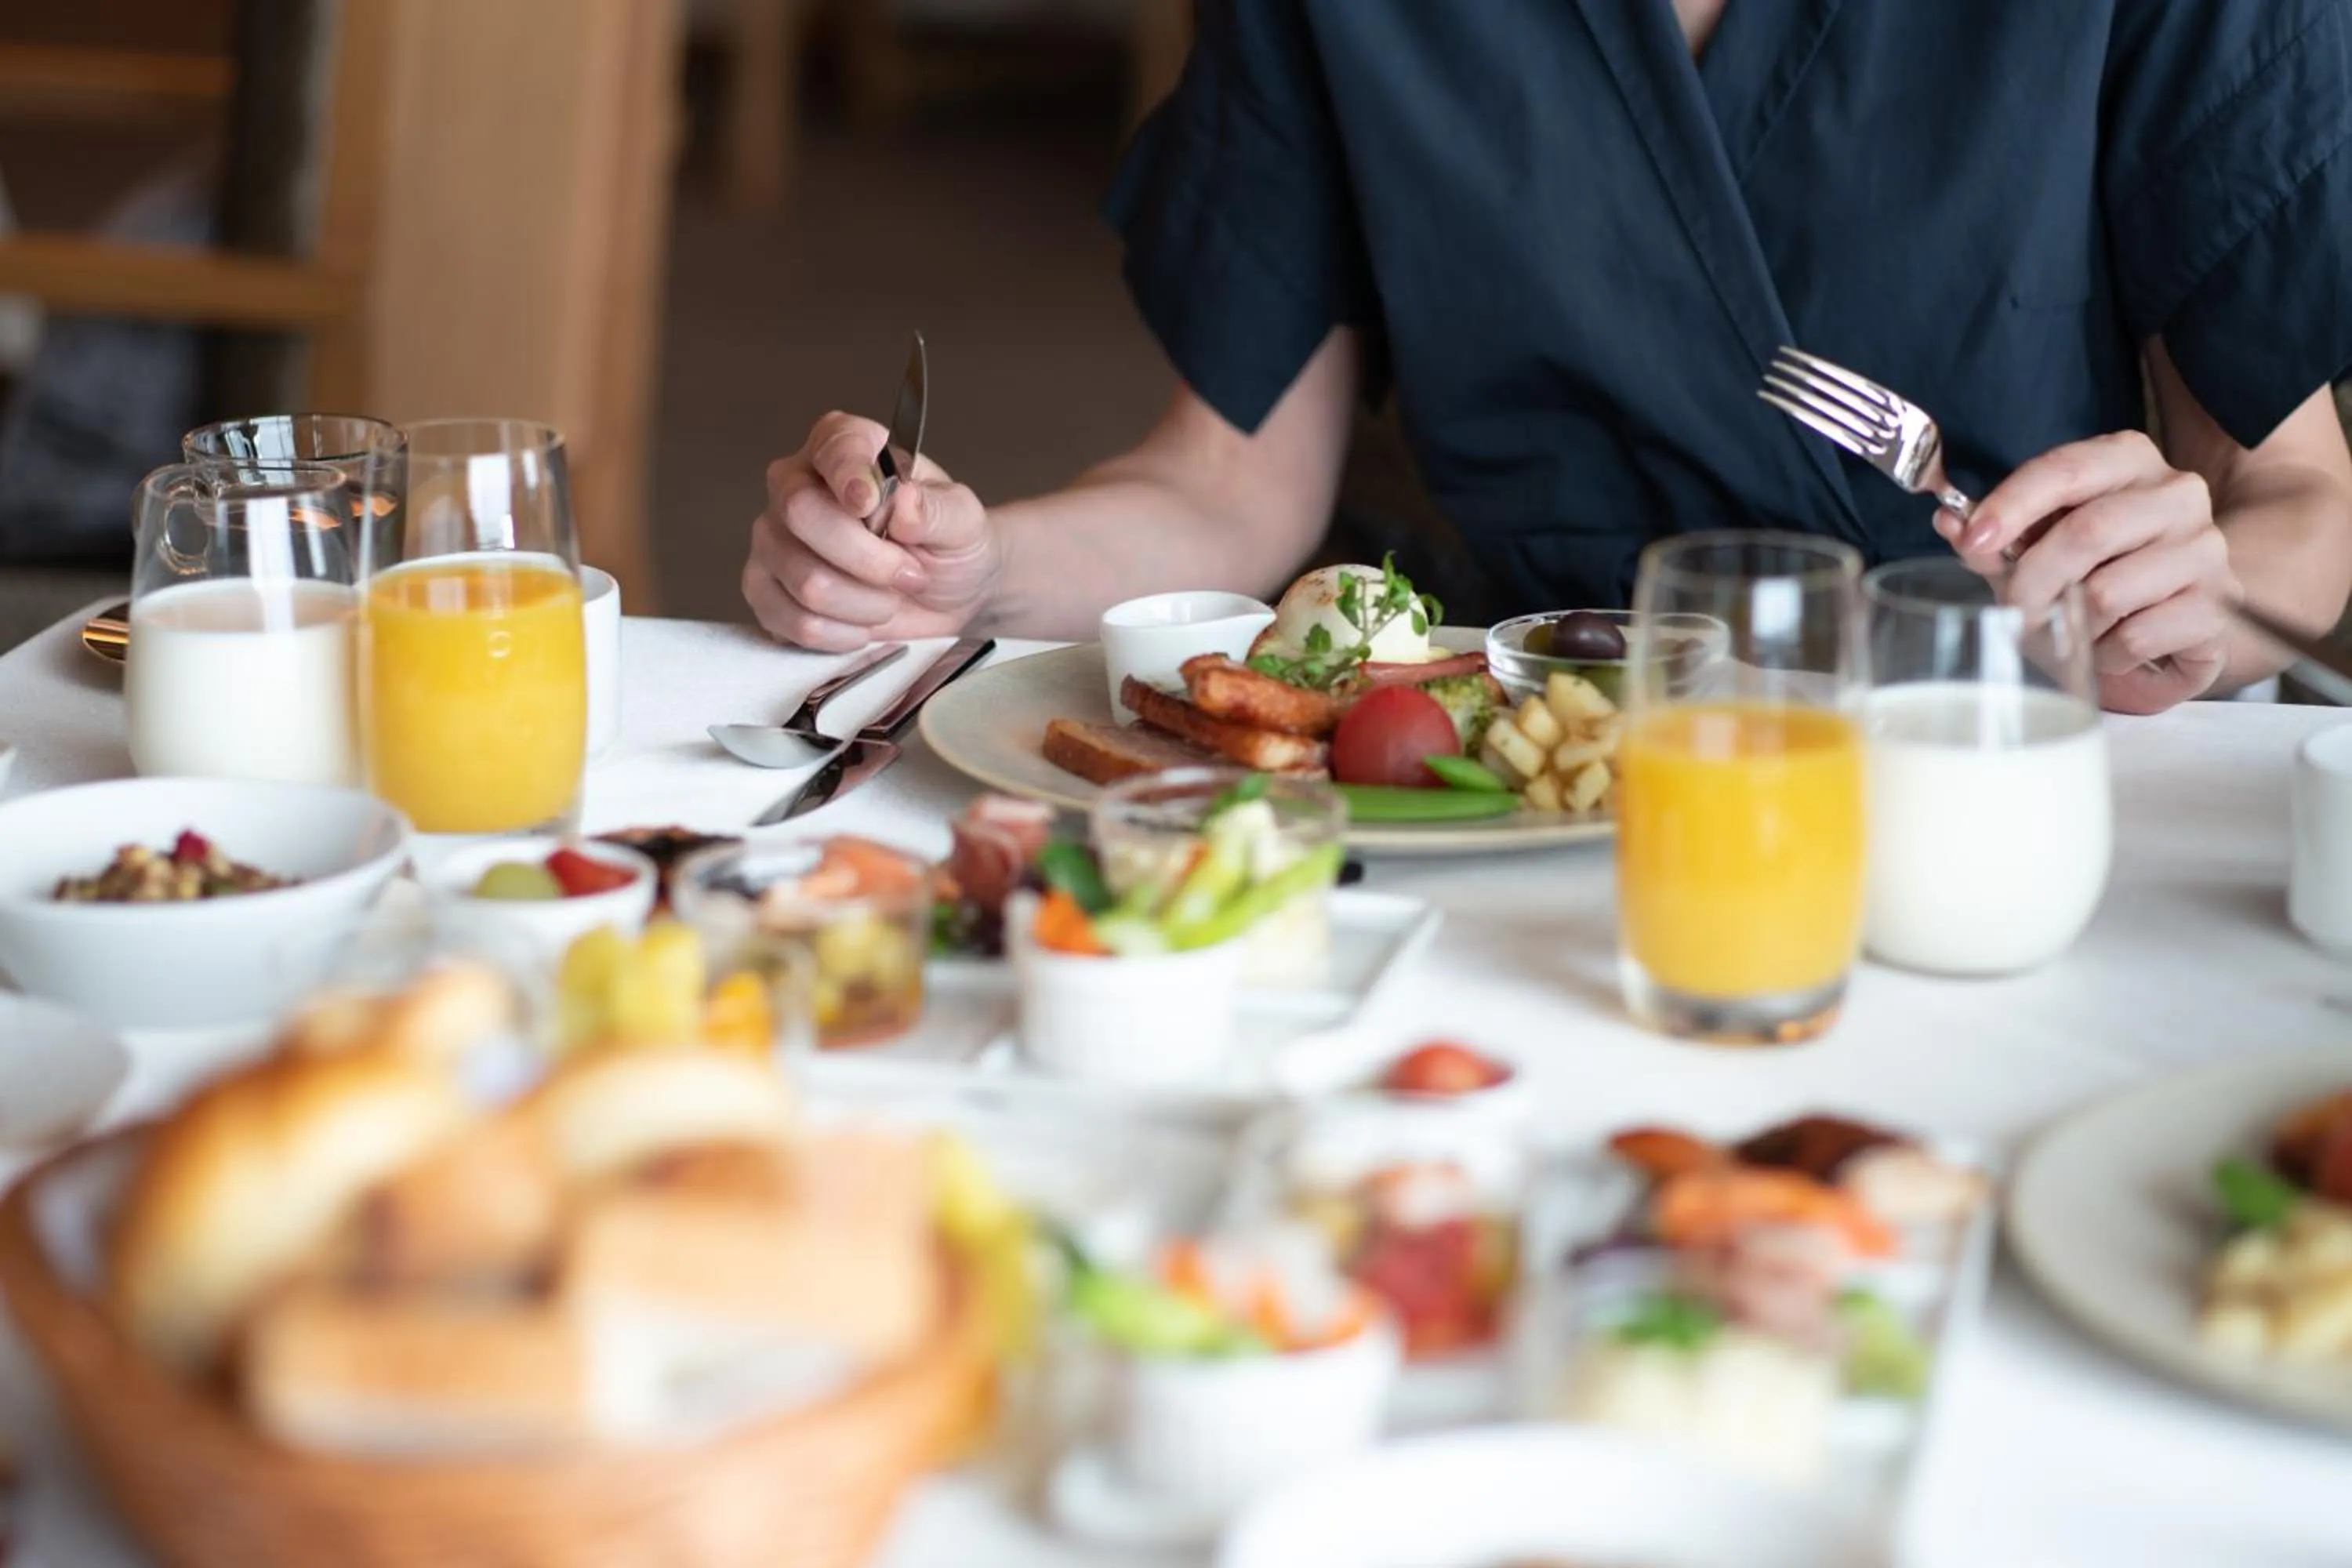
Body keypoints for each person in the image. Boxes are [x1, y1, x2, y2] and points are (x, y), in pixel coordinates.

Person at [742, 0, 2352, 715]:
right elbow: (1222, 491)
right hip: (1510, 770)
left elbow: (2294, 510)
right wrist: (964, 572)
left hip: (1990, 750)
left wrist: (2198, 592)